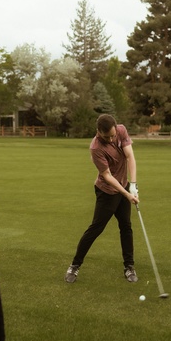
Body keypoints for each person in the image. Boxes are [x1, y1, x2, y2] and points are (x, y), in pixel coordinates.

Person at [65, 114, 140, 284]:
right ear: (98, 131)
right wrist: (127, 194)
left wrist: (133, 185)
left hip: (124, 186)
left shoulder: (121, 130)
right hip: (106, 192)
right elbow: (107, 176)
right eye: (107, 137)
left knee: (126, 227)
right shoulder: (96, 147)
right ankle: (74, 266)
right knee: (96, 228)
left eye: (113, 135)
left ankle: (129, 267)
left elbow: (130, 156)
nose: (111, 139)